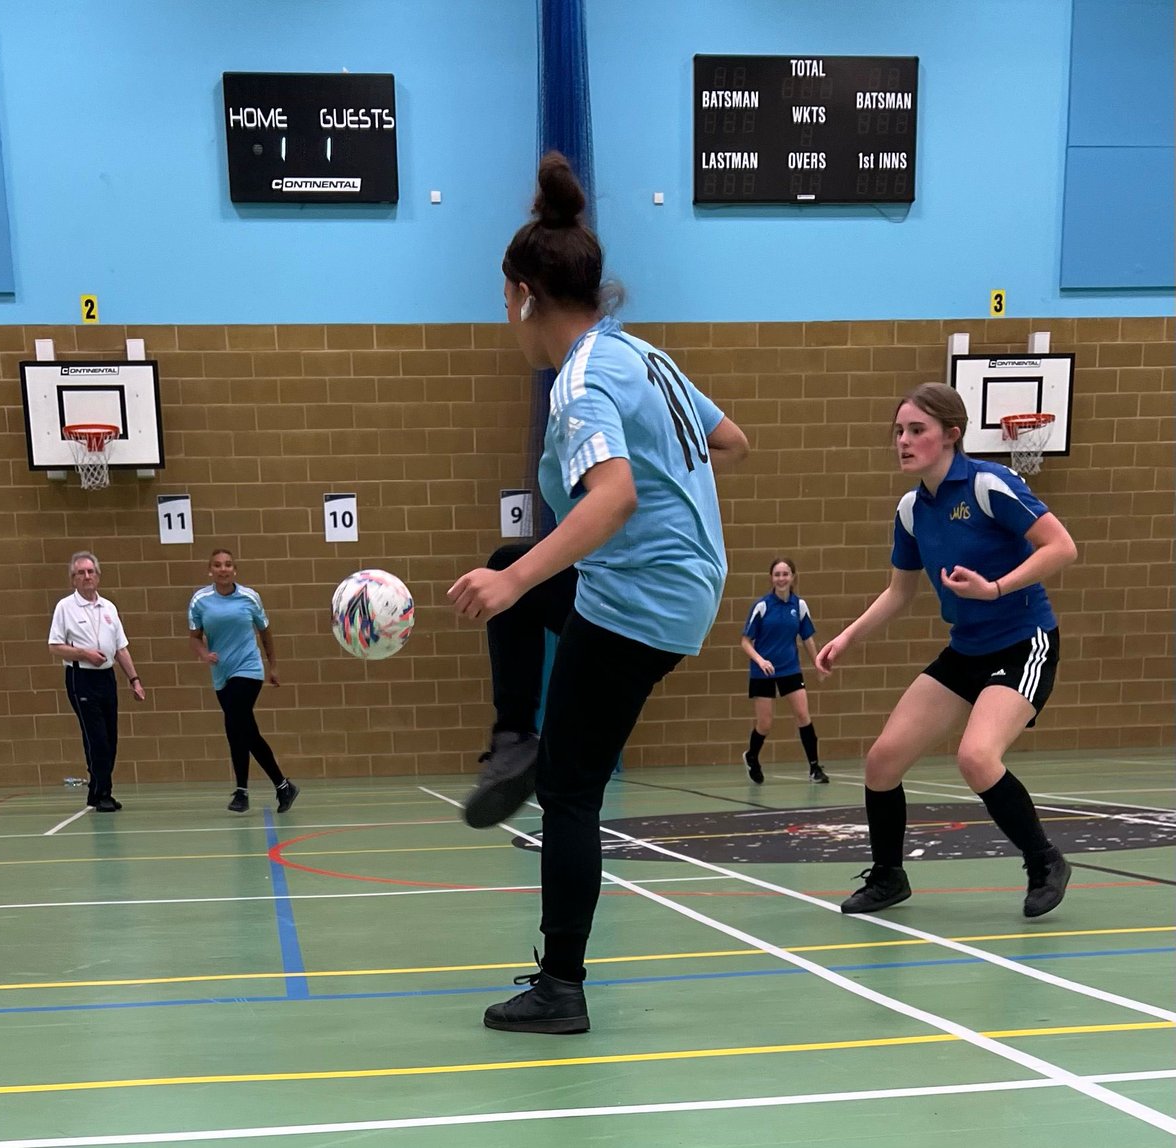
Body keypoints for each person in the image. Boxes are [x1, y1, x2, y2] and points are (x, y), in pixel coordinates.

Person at [448, 152, 749, 1034]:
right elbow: (734, 438)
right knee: (518, 558)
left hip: (639, 600)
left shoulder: (581, 379)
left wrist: (513, 582)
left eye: (502, 295)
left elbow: (613, 495)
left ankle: (562, 988)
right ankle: (514, 736)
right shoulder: (640, 356)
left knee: (572, 792)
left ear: (522, 294)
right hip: (680, 583)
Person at [815, 382, 1077, 919]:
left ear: (951, 435)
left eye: (917, 431)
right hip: (966, 650)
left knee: (976, 757)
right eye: (899, 431)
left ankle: (1044, 861)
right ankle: (889, 876)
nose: (904, 441)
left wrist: (995, 588)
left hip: (1023, 642)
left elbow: (1061, 546)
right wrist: (847, 636)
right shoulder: (913, 509)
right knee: (882, 762)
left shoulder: (990, 485)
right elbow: (899, 591)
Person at [188, 548, 298, 815]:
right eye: (217, 565)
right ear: (210, 570)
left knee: (241, 725)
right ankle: (274, 788)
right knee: (238, 730)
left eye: (228, 565)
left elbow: (265, 632)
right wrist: (204, 653)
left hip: (248, 670)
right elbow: (194, 636)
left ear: (235, 570)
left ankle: (255, 789)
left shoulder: (250, 598)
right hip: (221, 674)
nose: (223, 569)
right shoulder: (200, 601)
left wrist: (273, 666)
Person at [48, 551, 145, 812]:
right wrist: (84, 653)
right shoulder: (65, 608)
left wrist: (134, 679)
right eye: (81, 572)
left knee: (111, 738)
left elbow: (121, 648)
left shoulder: (109, 608)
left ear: (98, 576)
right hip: (81, 677)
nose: (87, 576)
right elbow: (55, 646)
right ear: (73, 579)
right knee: (97, 739)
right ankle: (102, 791)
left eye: (91, 572)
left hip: (106, 677)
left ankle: (98, 791)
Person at [741, 557, 829, 785]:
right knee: (765, 724)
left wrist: (817, 663)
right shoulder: (762, 606)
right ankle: (752, 756)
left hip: (790, 669)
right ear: (772, 578)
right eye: (777, 574)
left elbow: (807, 637)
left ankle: (814, 768)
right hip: (764, 672)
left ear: (793, 577)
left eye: (785, 574)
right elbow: (745, 641)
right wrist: (760, 661)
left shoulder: (798, 606)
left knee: (803, 716)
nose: (781, 578)